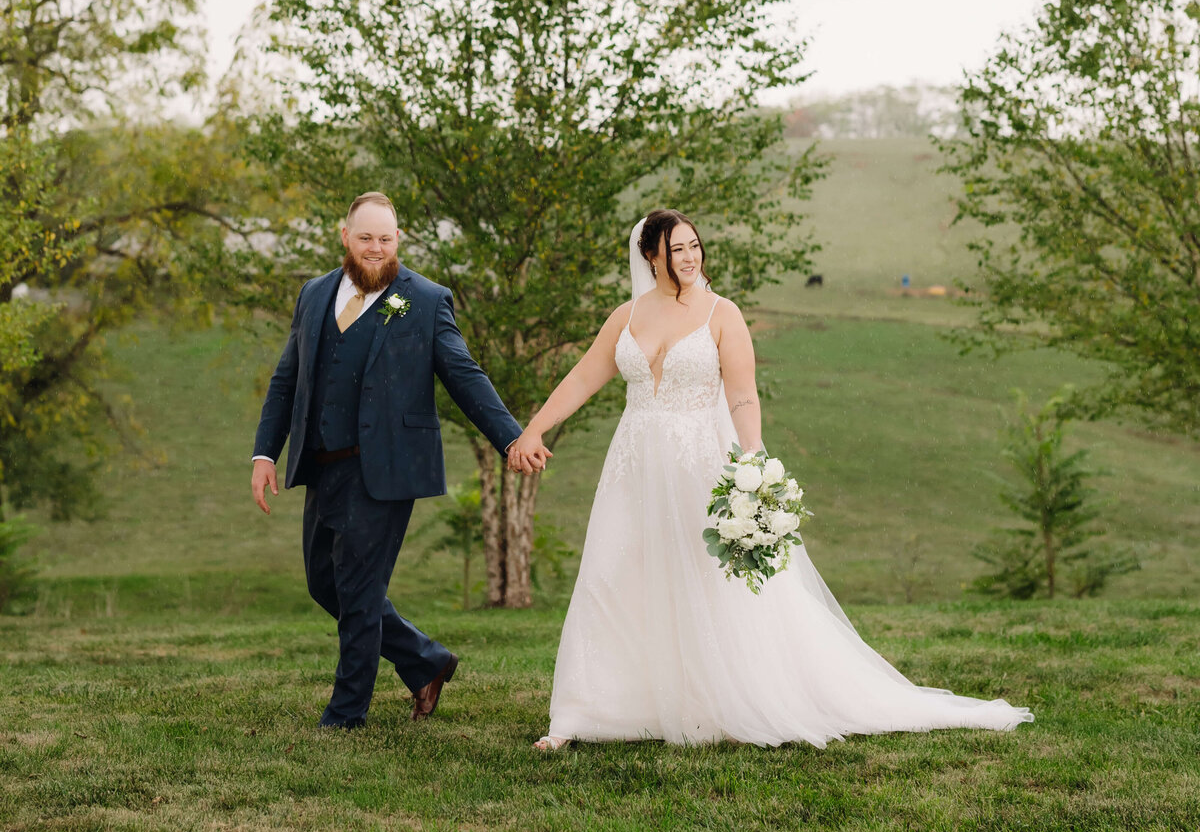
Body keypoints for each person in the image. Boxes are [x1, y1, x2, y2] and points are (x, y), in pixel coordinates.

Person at [508, 209, 1033, 749]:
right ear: (650, 256)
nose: (689, 258)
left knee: (707, 583)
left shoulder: (721, 313)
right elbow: (585, 375)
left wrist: (753, 460)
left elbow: (741, 394)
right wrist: (534, 430)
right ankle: (582, 714)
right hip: (633, 467)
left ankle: (722, 699)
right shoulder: (627, 315)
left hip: (699, 465)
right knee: (609, 574)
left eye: (694, 246)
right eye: (676, 250)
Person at [251, 192, 539, 730]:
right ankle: (426, 660)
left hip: (386, 467)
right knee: (324, 584)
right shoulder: (313, 295)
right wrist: (266, 452)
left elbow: (464, 375)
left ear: (398, 239)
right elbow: (287, 379)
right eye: (365, 238)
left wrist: (512, 439)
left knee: (359, 591)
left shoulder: (426, 300)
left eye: (386, 239)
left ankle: (345, 715)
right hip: (322, 463)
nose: (376, 249)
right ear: (345, 236)